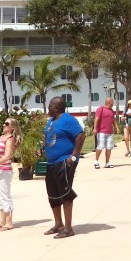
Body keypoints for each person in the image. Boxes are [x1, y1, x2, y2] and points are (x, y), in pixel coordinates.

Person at [42, 96, 85, 239]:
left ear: (57, 107)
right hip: (51, 162)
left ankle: (68, 228)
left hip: (64, 161)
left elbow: (80, 136)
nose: (48, 108)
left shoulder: (68, 119)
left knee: (65, 193)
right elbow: (49, 137)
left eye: (50, 106)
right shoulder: (51, 121)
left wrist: (73, 156)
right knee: (53, 195)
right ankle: (58, 224)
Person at [92, 96, 118, 168]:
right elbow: (96, 119)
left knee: (109, 148)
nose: (113, 103)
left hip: (110, 132)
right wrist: (95, 129)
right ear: (109, 102)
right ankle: (96, 161)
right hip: (101, 132)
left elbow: (113, 120)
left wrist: (116, 127)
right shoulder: (100, 109)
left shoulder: (111, 110)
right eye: (112, 102)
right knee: (100, 146)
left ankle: (107, 163)